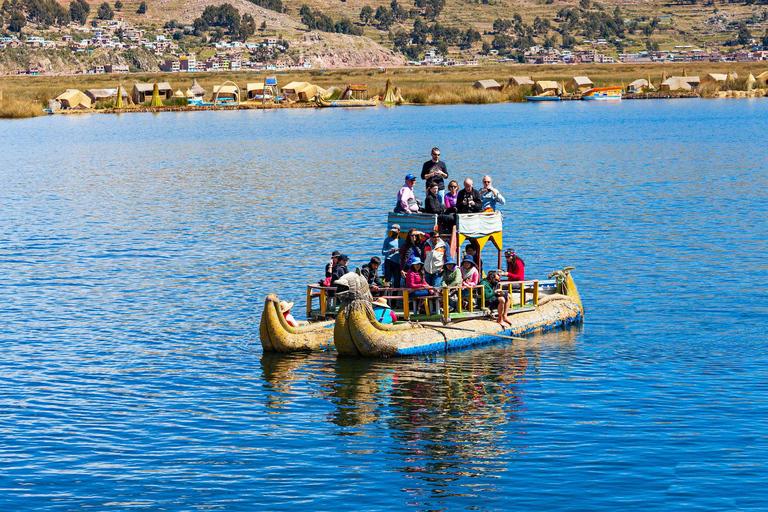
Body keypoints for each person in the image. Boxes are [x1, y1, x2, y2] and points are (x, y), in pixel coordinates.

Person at [381, 224, 403, 288]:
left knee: (397, 281)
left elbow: (404, 252)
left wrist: (401, 251)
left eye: (395, 231)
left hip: (397, 263)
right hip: (389, 261)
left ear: (399, 231)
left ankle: (394, 297)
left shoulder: (402, 241)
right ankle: (387, 295)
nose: (393, 232)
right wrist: (390, 252)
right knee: (387, 280)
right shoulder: (387, 240)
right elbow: (383, 252)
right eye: (392, 231)